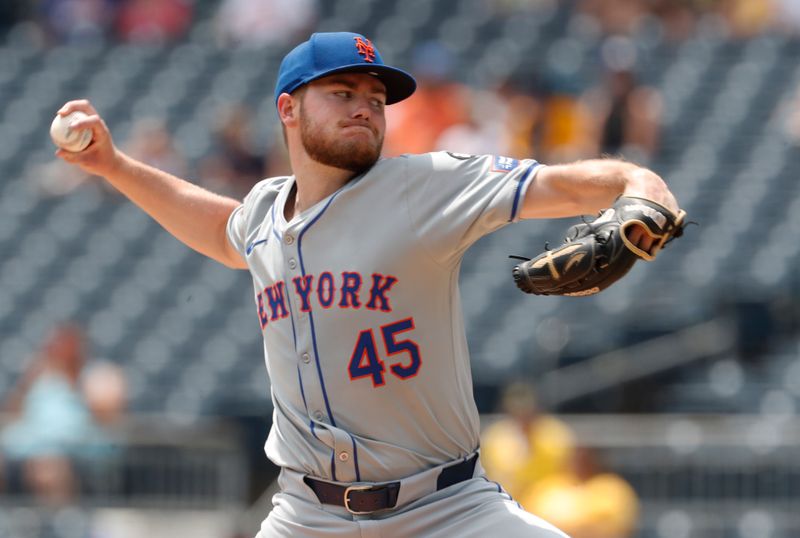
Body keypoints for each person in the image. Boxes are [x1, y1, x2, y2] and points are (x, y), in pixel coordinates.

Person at [54, 31, 679, 537]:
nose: (365, 106)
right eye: (343, 91)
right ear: (288, 109)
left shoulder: (424, 185)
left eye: (376, 99)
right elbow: (223, 230)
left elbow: (566, 185)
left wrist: (642, 188)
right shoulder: (267, 213)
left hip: (448, 511)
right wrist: (113, 164)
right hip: (307, 516)